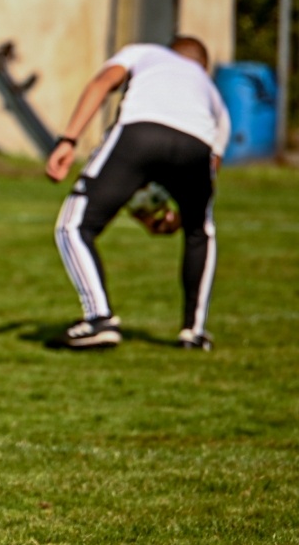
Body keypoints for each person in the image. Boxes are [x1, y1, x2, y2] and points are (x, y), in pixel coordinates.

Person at [46, 35, 230, 350]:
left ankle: (99, 319)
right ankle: (194, 332)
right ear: (204, 67)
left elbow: (102, 83)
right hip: (196, 146)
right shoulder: (212, 93)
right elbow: (212, 165)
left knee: (73, 225)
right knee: (201, 231)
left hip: (139, 131)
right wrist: (178, 217)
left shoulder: (143, 52)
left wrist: (68, 139)